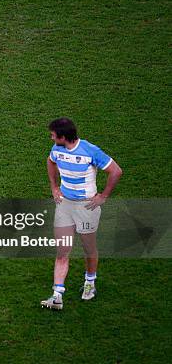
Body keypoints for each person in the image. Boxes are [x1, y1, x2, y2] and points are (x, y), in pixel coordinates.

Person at [41, 117, 122, 310]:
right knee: (62, 251)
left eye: (53, 135)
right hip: (65, 206)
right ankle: (57, 295)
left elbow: (116, 171)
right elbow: (50, 162)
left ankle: (90, 282)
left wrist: (103, 196)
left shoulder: (90, 151)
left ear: (63, 136)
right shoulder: (57, 150)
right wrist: (54, 187)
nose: (51, 138)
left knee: (88, 248)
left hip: (86, 208)